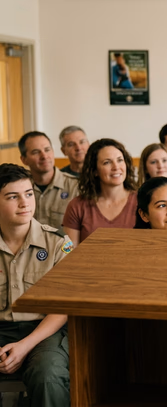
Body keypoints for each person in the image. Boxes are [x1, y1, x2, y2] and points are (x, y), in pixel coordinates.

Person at [0, 164, 71, 406]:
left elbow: (62, 308)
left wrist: (23, 346)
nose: (25, 203)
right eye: (13, 196)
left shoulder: (58, 244)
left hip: (43, 332)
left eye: (29, 194)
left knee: (48, 375)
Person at [62, 138, 137, 244]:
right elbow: (69, 253)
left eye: (120, 160)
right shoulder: (77, 206)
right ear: (95, 171)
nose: (116, 167)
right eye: (107, 162)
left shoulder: (143, 202)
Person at [18, 131, 79, 234]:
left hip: (65, 249)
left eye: (47, 150)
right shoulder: (17, 189)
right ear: (24, 160)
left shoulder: (76, 187)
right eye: (36, 152)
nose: (44, 156)